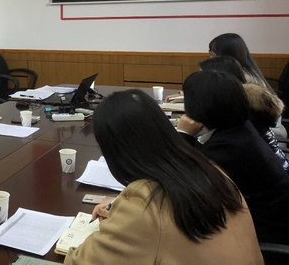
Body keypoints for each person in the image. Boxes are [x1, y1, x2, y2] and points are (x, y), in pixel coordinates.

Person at [64, 89, 262, 265]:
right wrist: (122, 216)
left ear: (115, 152)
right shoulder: (211, 170)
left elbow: (78, 262)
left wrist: (120, 224)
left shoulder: (145, 205)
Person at [178, 70, 289, 245]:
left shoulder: (227, 147)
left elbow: (184, 179)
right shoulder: (239, 128)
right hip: (267, 221)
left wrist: (184, 135)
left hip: (265, 236)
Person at [199, 56, 288, 173]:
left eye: (201, 79)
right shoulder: (240, 101)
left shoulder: (242, 113)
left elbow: (212, 155)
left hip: (269, 174)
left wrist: (185, 134)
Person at [208, 32, 286, 138]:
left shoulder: (243, 79)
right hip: (255, 131)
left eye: (213, 55)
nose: (209, 59)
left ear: (227, 56)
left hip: (265, 134)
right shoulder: (244, 72)